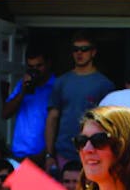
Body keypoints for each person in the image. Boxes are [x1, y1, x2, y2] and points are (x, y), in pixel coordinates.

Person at [44, 32, 115, 171]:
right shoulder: (61, 82)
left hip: (93, 151)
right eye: (75, 49)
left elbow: (109, 123)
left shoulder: (104, 84)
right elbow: (52, 118)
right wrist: (49, 154)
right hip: (64, 151)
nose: (79, 53)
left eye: (84, 49)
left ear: (93, 52)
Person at [2, 45, 56, 163]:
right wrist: (23, 91)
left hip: (44, 155)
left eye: (39, 66)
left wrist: (48, 153)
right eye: (31, 67)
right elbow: (5, 113)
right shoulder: (23, 85)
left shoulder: (57, 86)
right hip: (19, 154)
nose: (35, 70)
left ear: (48, 64)